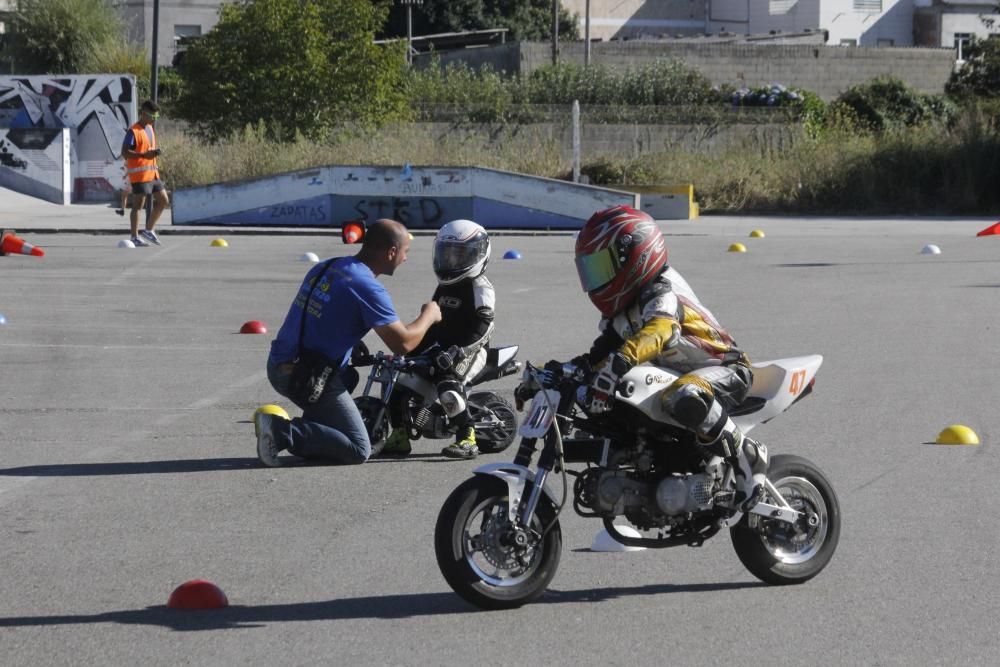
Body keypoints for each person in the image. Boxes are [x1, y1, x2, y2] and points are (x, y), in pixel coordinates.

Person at [571, 205, 768, 511]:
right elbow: (597, 356)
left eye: (603, 267)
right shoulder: (623, 314)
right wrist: (555, 373)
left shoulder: (662, 289)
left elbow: (661, 330)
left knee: (684, 394)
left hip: (724, 368)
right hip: (679, 374)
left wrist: (619, 362)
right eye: (591, 270)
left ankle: (749, 456)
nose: (597, 279)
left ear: (635, 255)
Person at [255, 218, 442, 467]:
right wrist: (429, 314)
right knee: (358, 448)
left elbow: (317, 313)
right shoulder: (367, 287)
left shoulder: (329, 266)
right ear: (392, 252)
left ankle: (318, 432)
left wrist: (350, 341)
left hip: (281, 361)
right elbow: (403, 344)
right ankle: (282, 432)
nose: (405, 259)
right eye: (406, 252)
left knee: (350, 377)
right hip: (302, 376)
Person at [381, 219, 495, 459]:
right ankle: (400, 436)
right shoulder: (444, 286)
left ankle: (467, 436)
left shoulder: (481, 288)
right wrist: (411, 353)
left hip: (472, 351)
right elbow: (434, 323)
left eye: (460, 255)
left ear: (479, 253)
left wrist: (457, 352)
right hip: (441, 350)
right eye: (448, 255)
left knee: (447, 384)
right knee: (400, 380)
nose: (452, 261)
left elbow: (483, 328)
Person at [121, 100, 169, 247]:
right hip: (140, 175)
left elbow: (148, 148)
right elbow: (124, 152)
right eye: (152, 116)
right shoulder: (133, 131)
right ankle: (134, 236)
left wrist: (154, 153)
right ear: (143, 114)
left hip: (153, 174)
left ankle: (148, 230)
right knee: (138, 206)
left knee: (164, 201)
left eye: (156, 116)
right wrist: (143, 155)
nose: (154, 119)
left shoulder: (149, 128)